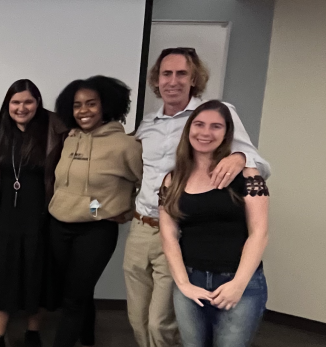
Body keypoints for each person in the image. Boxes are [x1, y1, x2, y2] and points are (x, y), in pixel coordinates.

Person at [126, 47, 271, 347]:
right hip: (142, 227)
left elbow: (261, 167)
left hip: (182, 231)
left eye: (182, 73)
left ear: (194, 79)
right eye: (167, 73)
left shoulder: (213, 114)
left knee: (161, 323)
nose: (173, 81)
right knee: (137, 317)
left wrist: (241, 157)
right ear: (157, 79)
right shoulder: (147, 124)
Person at [158, 100, 269, 347]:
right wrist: (184, 284)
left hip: (239, 284)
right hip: (191, 282)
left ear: (227, 133)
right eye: (199, 124)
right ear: (188, 129)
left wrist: (238, 285)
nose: (205, 132)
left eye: (216, 126)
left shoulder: (248, 176)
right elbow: (168, 233)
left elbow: (259, 233)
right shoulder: (173, 178)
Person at [48, 76, 143, 347]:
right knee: (77, 290)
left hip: (95, 230)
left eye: (91, 104)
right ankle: (88, 339)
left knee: (74, 297)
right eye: (77, 105)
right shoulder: (70, 139)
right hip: (59, 224)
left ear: (106, 106)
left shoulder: (125, 145)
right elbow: (75, 189)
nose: (83, 110)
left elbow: (147, 184)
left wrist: (126, 209)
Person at [0, 79, 68, 347]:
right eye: (15, 102)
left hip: (40, 218)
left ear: (38, 103)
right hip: (4, 217)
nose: (22, 107)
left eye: (28, 102)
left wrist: (96, 208)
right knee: (0, 277)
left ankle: (33, 332)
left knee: (36, 277)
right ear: (8, 105)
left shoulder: (53, 132)